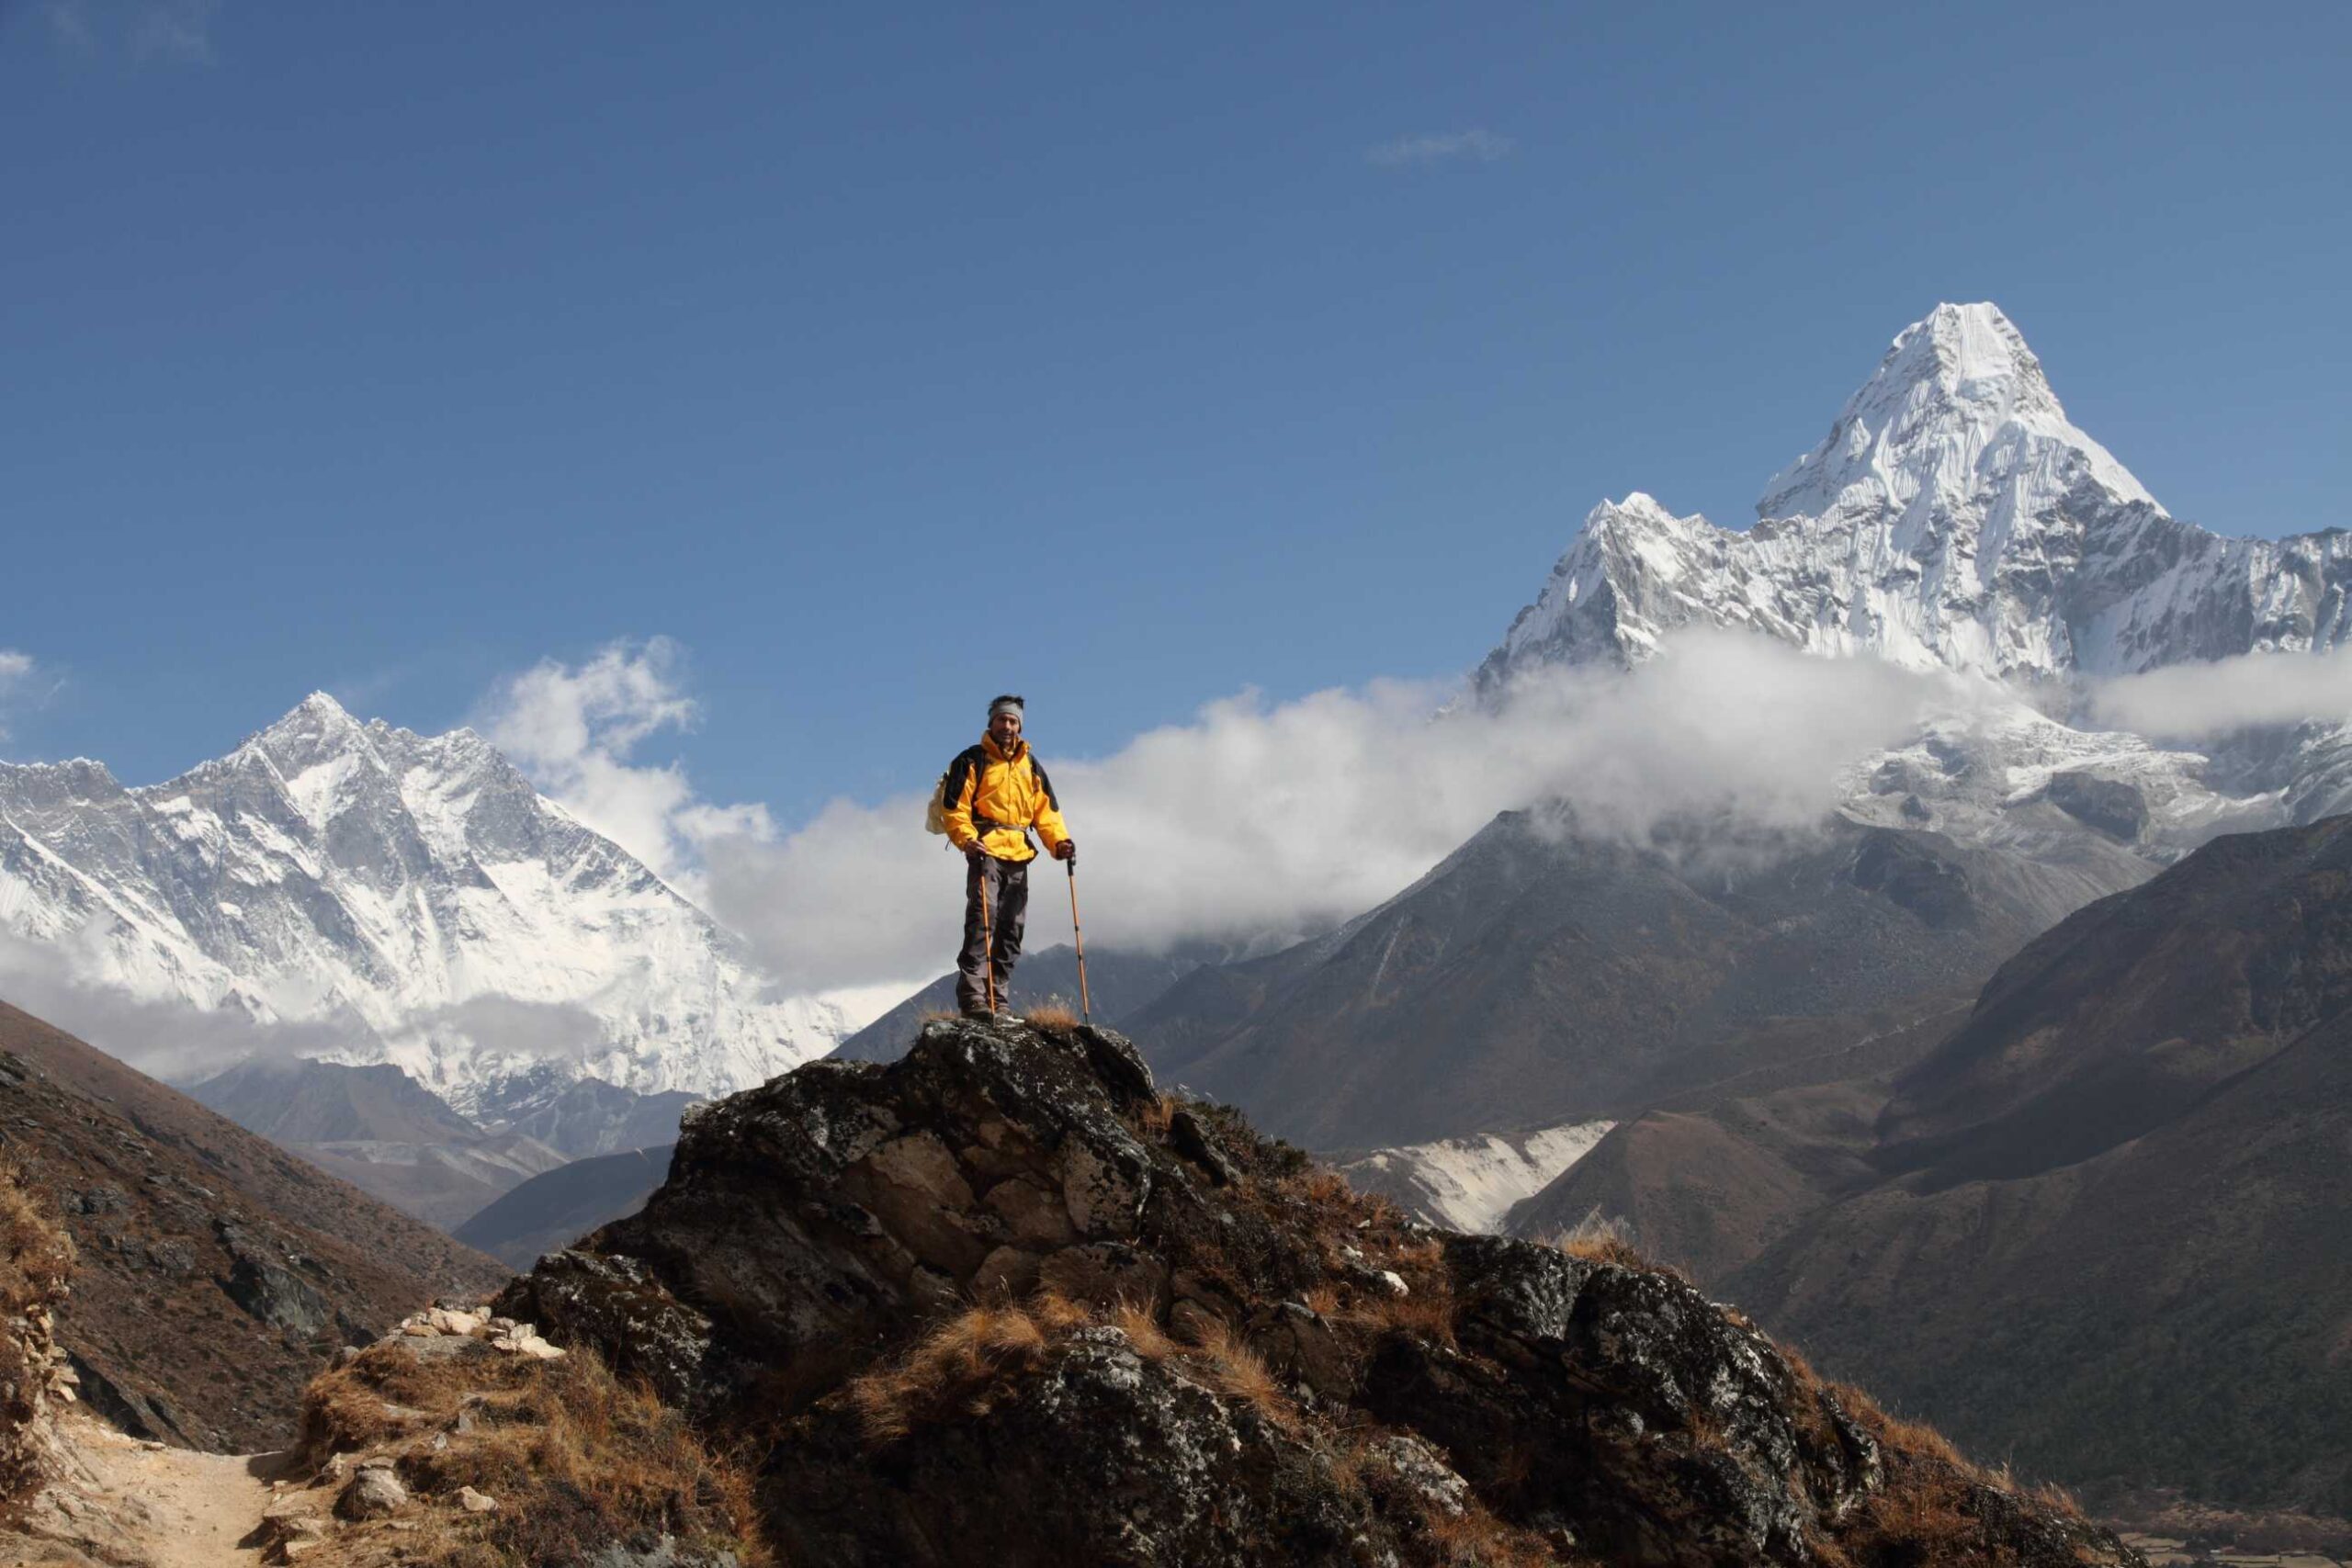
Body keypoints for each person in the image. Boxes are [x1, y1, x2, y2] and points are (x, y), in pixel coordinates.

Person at [942, 694, 1075, 1018]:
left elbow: (1047, 814)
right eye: (1002, 719)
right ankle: (974, 998)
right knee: (981, 922)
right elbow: (954, 808)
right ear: (991, 722)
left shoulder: (1031, 767)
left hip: (1018, 851)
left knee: (1011, 929)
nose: (1007, 725)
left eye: (1013, 721)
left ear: (1020, 726)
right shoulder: (972, 760)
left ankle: (997, 999)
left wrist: (1060, 844)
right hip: (985, 847)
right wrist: (967, 839)